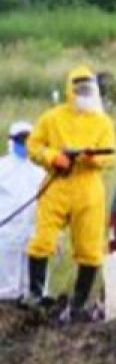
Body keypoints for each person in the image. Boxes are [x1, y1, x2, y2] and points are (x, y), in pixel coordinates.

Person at [25, 65, 116, 318]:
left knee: (89, 248)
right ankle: (36, 295)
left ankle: (78, 303)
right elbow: (34, 145)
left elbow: (109, 156)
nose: (84, 93)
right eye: (79, 89)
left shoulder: (103, 122)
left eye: (88, 89)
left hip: (88, 191)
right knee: (42, 241)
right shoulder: (52, 118)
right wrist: (53, 157)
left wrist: (90, 158)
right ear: (70, 90)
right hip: (56, 186)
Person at [0, 121, 46, 299]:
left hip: (33, 233)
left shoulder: (40, 171)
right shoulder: (2, 168)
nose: (24, 143)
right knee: (6, 285)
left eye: (28, 139)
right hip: (6, 233)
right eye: (20, 139)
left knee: (31, 286)